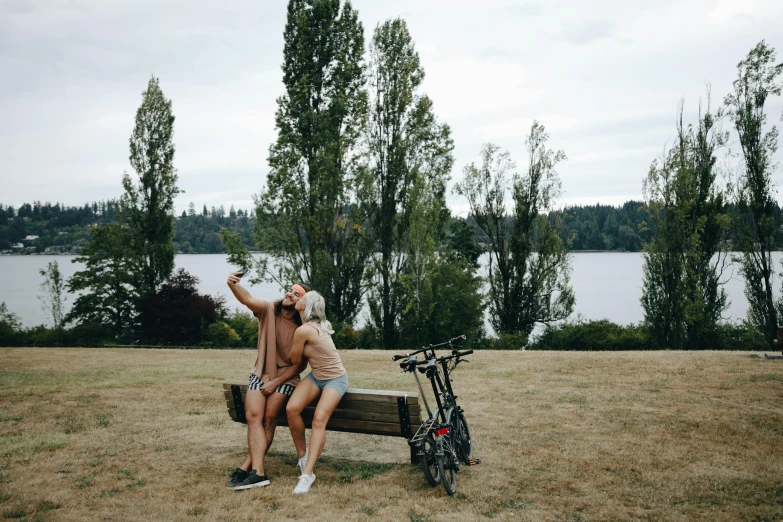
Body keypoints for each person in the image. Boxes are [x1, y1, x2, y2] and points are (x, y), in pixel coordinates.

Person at [225, 272, 310, 490]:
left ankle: (249, 469)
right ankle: (258, 472)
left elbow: (300, 365)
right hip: (260, 372)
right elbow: (247, 298)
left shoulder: (303, 328)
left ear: (304, 303)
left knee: (269, 419)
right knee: (253, 416)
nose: (290, 294)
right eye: (291, 290)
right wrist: (232, 284)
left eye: (297, 294)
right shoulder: (269, 309)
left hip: (285, 378)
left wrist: (275, 383)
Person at [286, 291, 348, 494]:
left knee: (319, 419)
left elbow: (295, 360)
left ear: (305, 306)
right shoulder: (317, 325)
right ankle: (303, 458)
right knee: (292, 409)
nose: (298, 299)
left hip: (335, 379)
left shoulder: (304, 330)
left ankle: (307, 475)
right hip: (317, 376)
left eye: (301, 298)